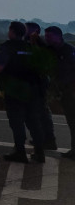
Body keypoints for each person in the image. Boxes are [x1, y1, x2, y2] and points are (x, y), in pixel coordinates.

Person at [0, 21, 46, 163]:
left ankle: (20, 152)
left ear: (12, 32)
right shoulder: (30, 47)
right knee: (33, 121)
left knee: (17, 121)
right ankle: (40, 153)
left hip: (15, 89)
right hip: (33, 89)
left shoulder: (7, 47)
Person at [24, 22, 58, 150]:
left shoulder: (41, 44)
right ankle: (44, 138)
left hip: (39, 81)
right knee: (38, 111)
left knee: (42, 111)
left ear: (35, 31)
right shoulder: (30, 42)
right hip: (35, 81)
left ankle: (49, 139)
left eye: (27, 29)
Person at [44, 26, 75, 159]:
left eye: (50, 36)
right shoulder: (50, 50)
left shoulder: (69, 50)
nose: (47, 39)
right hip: (61, 90)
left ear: (58, 36)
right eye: (46, 37)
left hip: (71, 90)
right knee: (71, 121)